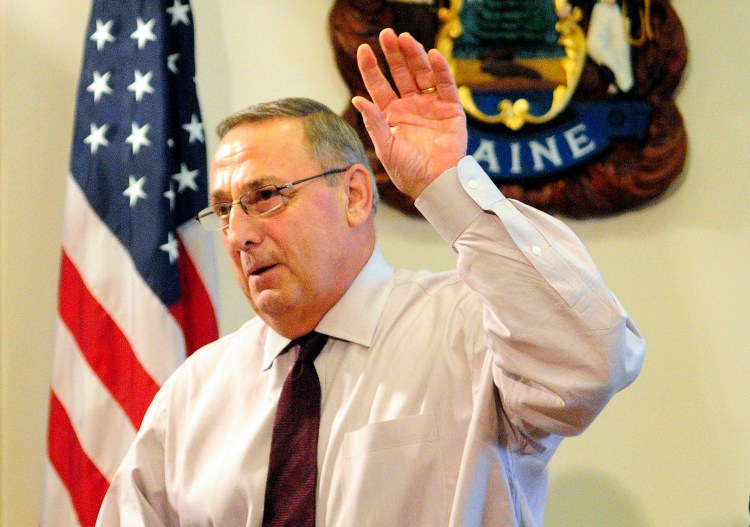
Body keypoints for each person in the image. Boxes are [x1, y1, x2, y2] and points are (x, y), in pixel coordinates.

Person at [96, 28, 645, 526]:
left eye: (264, 197)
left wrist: (447, 186)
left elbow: (592, 364)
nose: (238, 233)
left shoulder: (470, 331)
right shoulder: (196, 392)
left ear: (355, 195)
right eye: (223, 211)